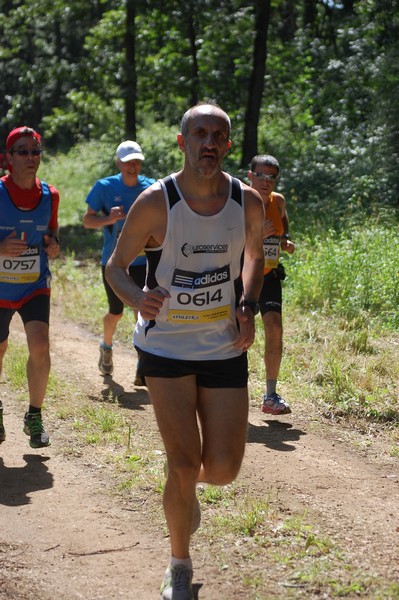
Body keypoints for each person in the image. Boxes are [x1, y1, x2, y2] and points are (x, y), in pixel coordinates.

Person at [105, 102, 265, 600]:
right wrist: (136, 297)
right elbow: (115, 265)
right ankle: (179, 564)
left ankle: (183, 492)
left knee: (222, 470)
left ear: (229, 145)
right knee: (181, 461)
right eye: (200, 133)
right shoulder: (156, 201)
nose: (209, 142)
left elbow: (256, 256)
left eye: (219, 135)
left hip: (223, 346)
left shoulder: (248, 203)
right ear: (182, 142)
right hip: (166, 347)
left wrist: (247, 303)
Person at [0, 126, 60, 448]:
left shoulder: (50, 195)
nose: (31, 157)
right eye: (23, 151)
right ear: (9, 157)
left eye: (35, 151)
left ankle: (34, 416)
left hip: (33, 285)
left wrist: (53, 245)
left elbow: (52, 234)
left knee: (40, 346)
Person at [82, 141, 155, 383]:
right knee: (116, 312)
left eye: (136, 161)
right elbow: (87, 221)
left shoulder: (151, 188)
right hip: (114, 262)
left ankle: (142, 365)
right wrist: (108, 219)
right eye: (127, 162)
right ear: (118, 163)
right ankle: (106, 346)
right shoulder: (104, 187)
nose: (133, 166)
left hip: (144, 260)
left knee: (142, 311)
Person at [248, 154, 295, 415]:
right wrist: (256, 235)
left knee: (274, 328)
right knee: (238, 332)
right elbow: (226, 240)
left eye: (272, 177)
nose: (266, 181)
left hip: (269, 274)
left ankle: (270, 395)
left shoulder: (278, 201)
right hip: (242, 274)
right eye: (261, 175)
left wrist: (285, 239)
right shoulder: (240, 201)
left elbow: (284, 222)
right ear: (250, 175)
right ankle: (227, 389)